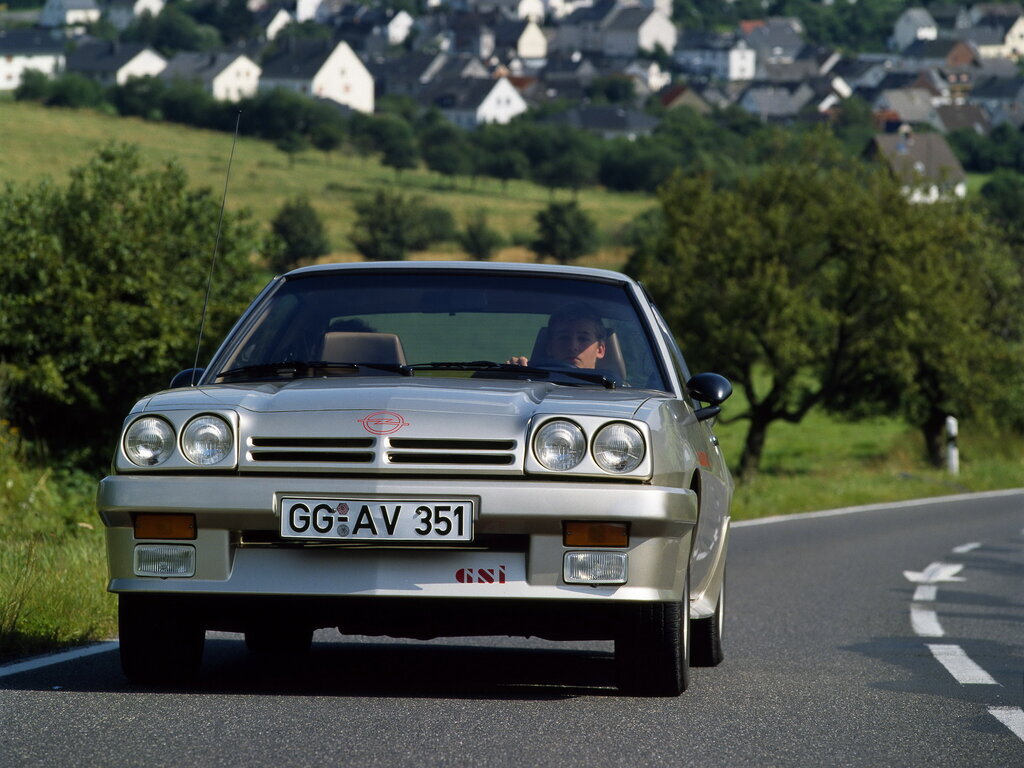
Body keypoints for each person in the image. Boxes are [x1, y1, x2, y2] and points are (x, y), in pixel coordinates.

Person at [509, 303, 607, 370]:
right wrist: (516, 375)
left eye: (583, 338)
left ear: (600, 350)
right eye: (564, 338)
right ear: (549, 347)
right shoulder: (528, 382)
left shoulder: (616, 395)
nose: (573, 347)